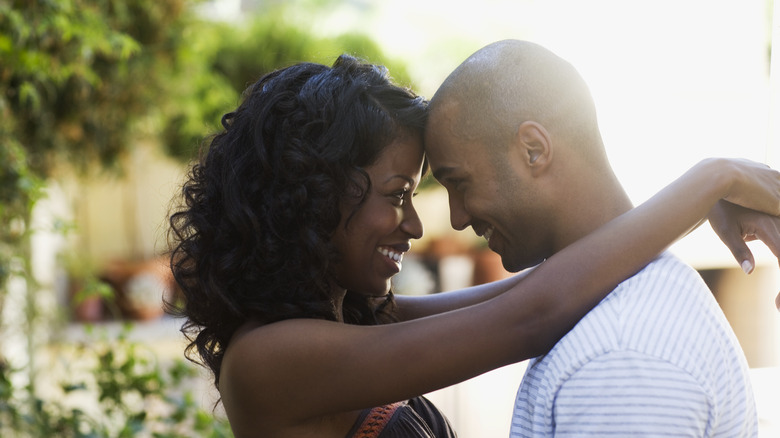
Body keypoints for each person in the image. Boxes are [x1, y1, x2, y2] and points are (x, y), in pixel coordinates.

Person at [168, 54, 780, 438]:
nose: (418, 225)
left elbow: (542, 287)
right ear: (314, 195)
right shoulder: (271, 361)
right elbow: (533, 313)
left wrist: (693, 211)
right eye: (398, 193)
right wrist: (712, 178)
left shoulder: (351, 317)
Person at [424, 39, 777, 437]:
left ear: (534, 150)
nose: (456, 218)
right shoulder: (615, 314)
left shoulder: (621, 357)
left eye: (459, 182)